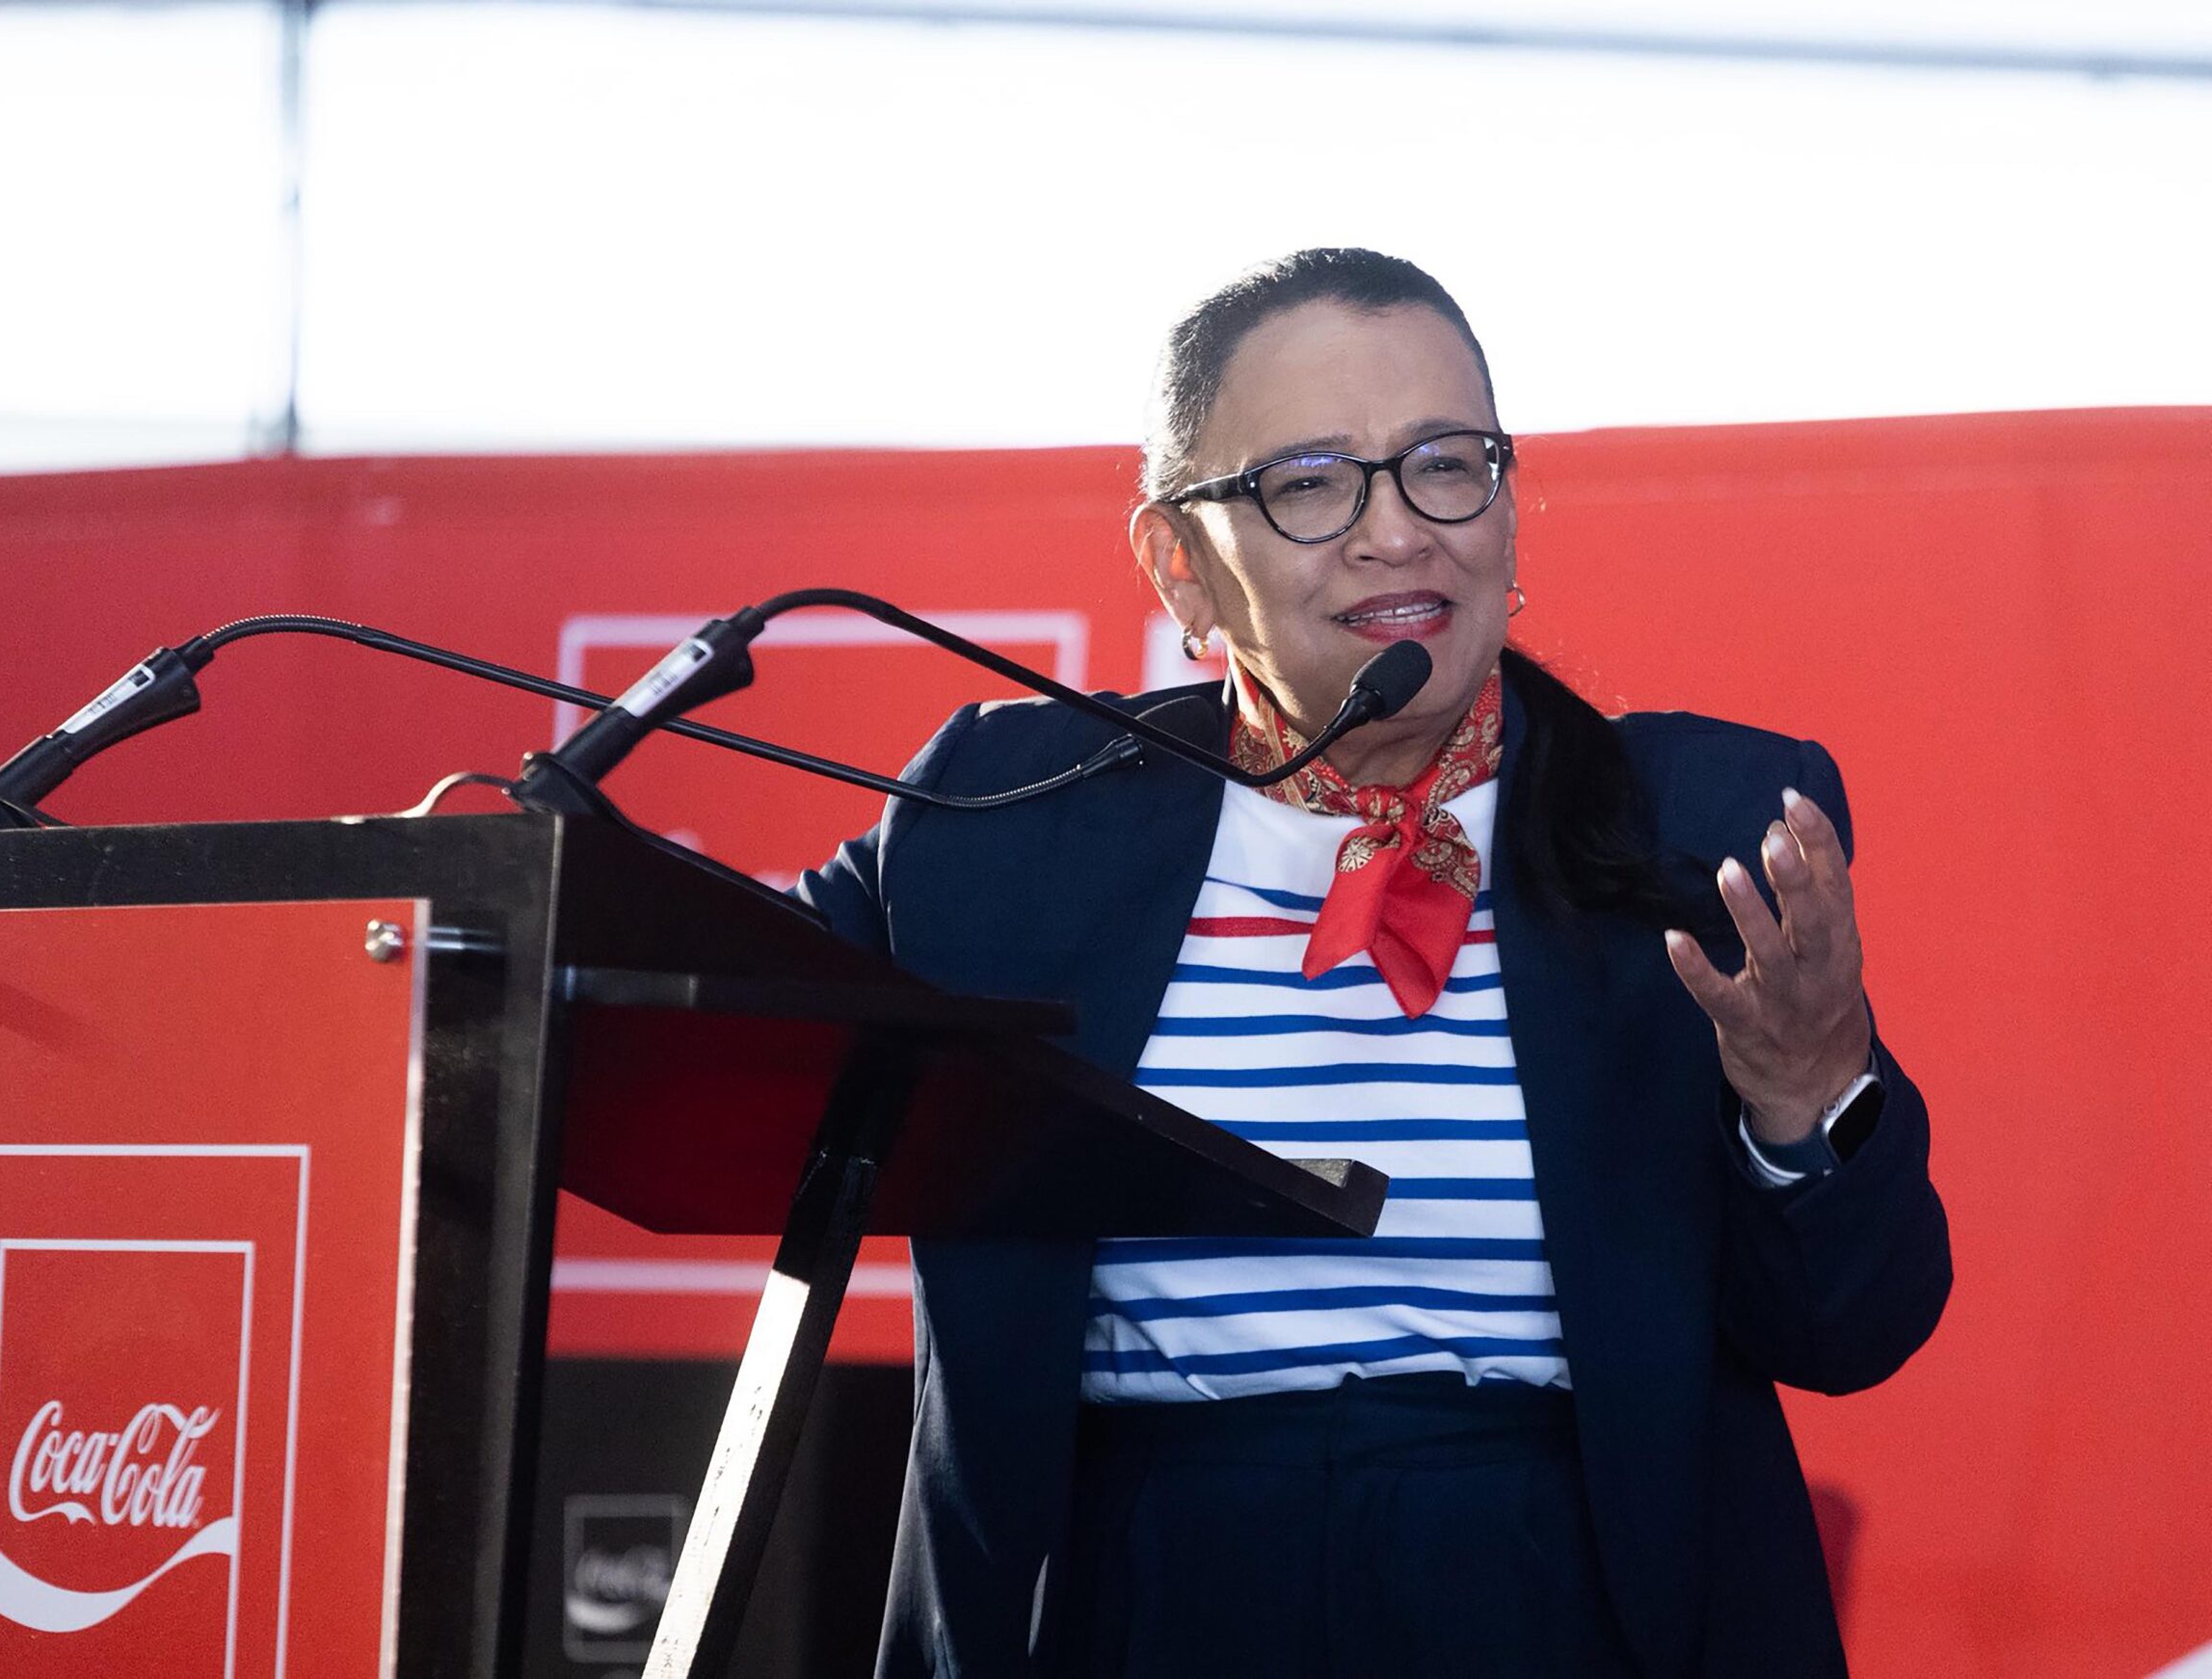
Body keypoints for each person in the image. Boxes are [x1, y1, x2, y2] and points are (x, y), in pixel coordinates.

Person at [801, 249, 1950, 1678]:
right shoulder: (1008, 817)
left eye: (1445, 465)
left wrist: (1808, 1096)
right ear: (1179, 562)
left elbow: (1855, 1325)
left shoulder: (1703, 828)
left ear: (1509, 510)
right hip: (1139, 1591)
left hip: (1564, 1591)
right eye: (1310, 482)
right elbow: (713, 995)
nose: (1396, 531)